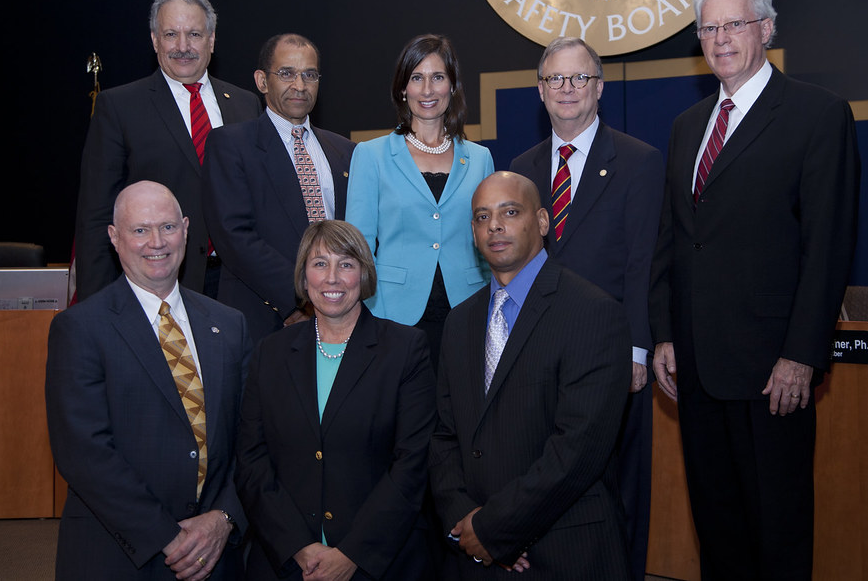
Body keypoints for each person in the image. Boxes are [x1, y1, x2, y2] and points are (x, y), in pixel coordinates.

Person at [649, 0, 860, 580]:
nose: (720, 39)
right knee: (718, 530)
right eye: (709, 28)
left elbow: (829, 249)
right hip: (696, 370)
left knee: (778, 532)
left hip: (773, 372)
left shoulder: (818, 115)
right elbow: (674, 239)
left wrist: (802, 355)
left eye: (733, 25)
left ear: (766, 29)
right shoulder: (688, 126)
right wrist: (665, 334)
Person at [508, 36, 664, 580]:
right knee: (545, 482)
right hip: (540, 357)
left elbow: (644, 263)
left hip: (612, 356)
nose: (567, 89)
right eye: (556, 79)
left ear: (599, 87)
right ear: (540, 91)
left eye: (579, 79)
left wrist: (637, 351)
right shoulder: (521, 170)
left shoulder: (640, 162)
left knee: (619, 487)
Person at [430, 171, 632, 579]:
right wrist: (467, 522)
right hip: (475, 554)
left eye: (510, 211)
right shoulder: (459, 321)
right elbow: (443, 437)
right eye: (482, 217)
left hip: (563, 551)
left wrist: (496, 528)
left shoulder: (592, 312)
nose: (496, 226)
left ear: (542, 221)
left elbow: (578, 449)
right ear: (473, 232)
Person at [46, 181, 251, 580]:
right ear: (114, 237)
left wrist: (224, 517)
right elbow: (84, 453)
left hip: (215, 554)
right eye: (140, 230)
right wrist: (167, 537)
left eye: (168, 227)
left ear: (187, 229)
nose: (156, 242)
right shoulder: (80, 328)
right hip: (120, 555)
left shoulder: (229, 325)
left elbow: (251, 437)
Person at [235, 220, 436, 580]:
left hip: (380, 563)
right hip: (287, 561)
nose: (332, 277)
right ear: (303, 275)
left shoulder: (406, 350)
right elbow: (252, 460)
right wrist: (299, 546)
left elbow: (412, 463)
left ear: (363, 274)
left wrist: (351, 555)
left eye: (346, 264)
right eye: (319, 263)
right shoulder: (271, 352)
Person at [76, 0, 262, 302]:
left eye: (194, 34)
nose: (183, 46)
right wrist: (98, 308)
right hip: (159, 285)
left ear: (212, 40)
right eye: (171, 34)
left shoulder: (246, 105)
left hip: (241, 288)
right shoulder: (119, 107)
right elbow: (96, 216)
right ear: (154, 40)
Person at [345, 34, 493, 367]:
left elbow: (489, 243)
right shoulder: (371, 155)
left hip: (468, 313)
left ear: (452, 86)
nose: (427, 90)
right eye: (417, 78)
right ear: (403, 89)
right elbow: (359, 246)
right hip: (391, 313)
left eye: (438, 77)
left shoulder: (481, 158)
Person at [203, 34, 355, 344]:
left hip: (340, 317)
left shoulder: (346, 151)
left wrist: (334, 299)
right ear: (262, 81)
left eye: (309, 75)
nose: (300, 85)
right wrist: (303, 298)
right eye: (286, 73)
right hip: (267, 318)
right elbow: (234, 237)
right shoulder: (231, 145)